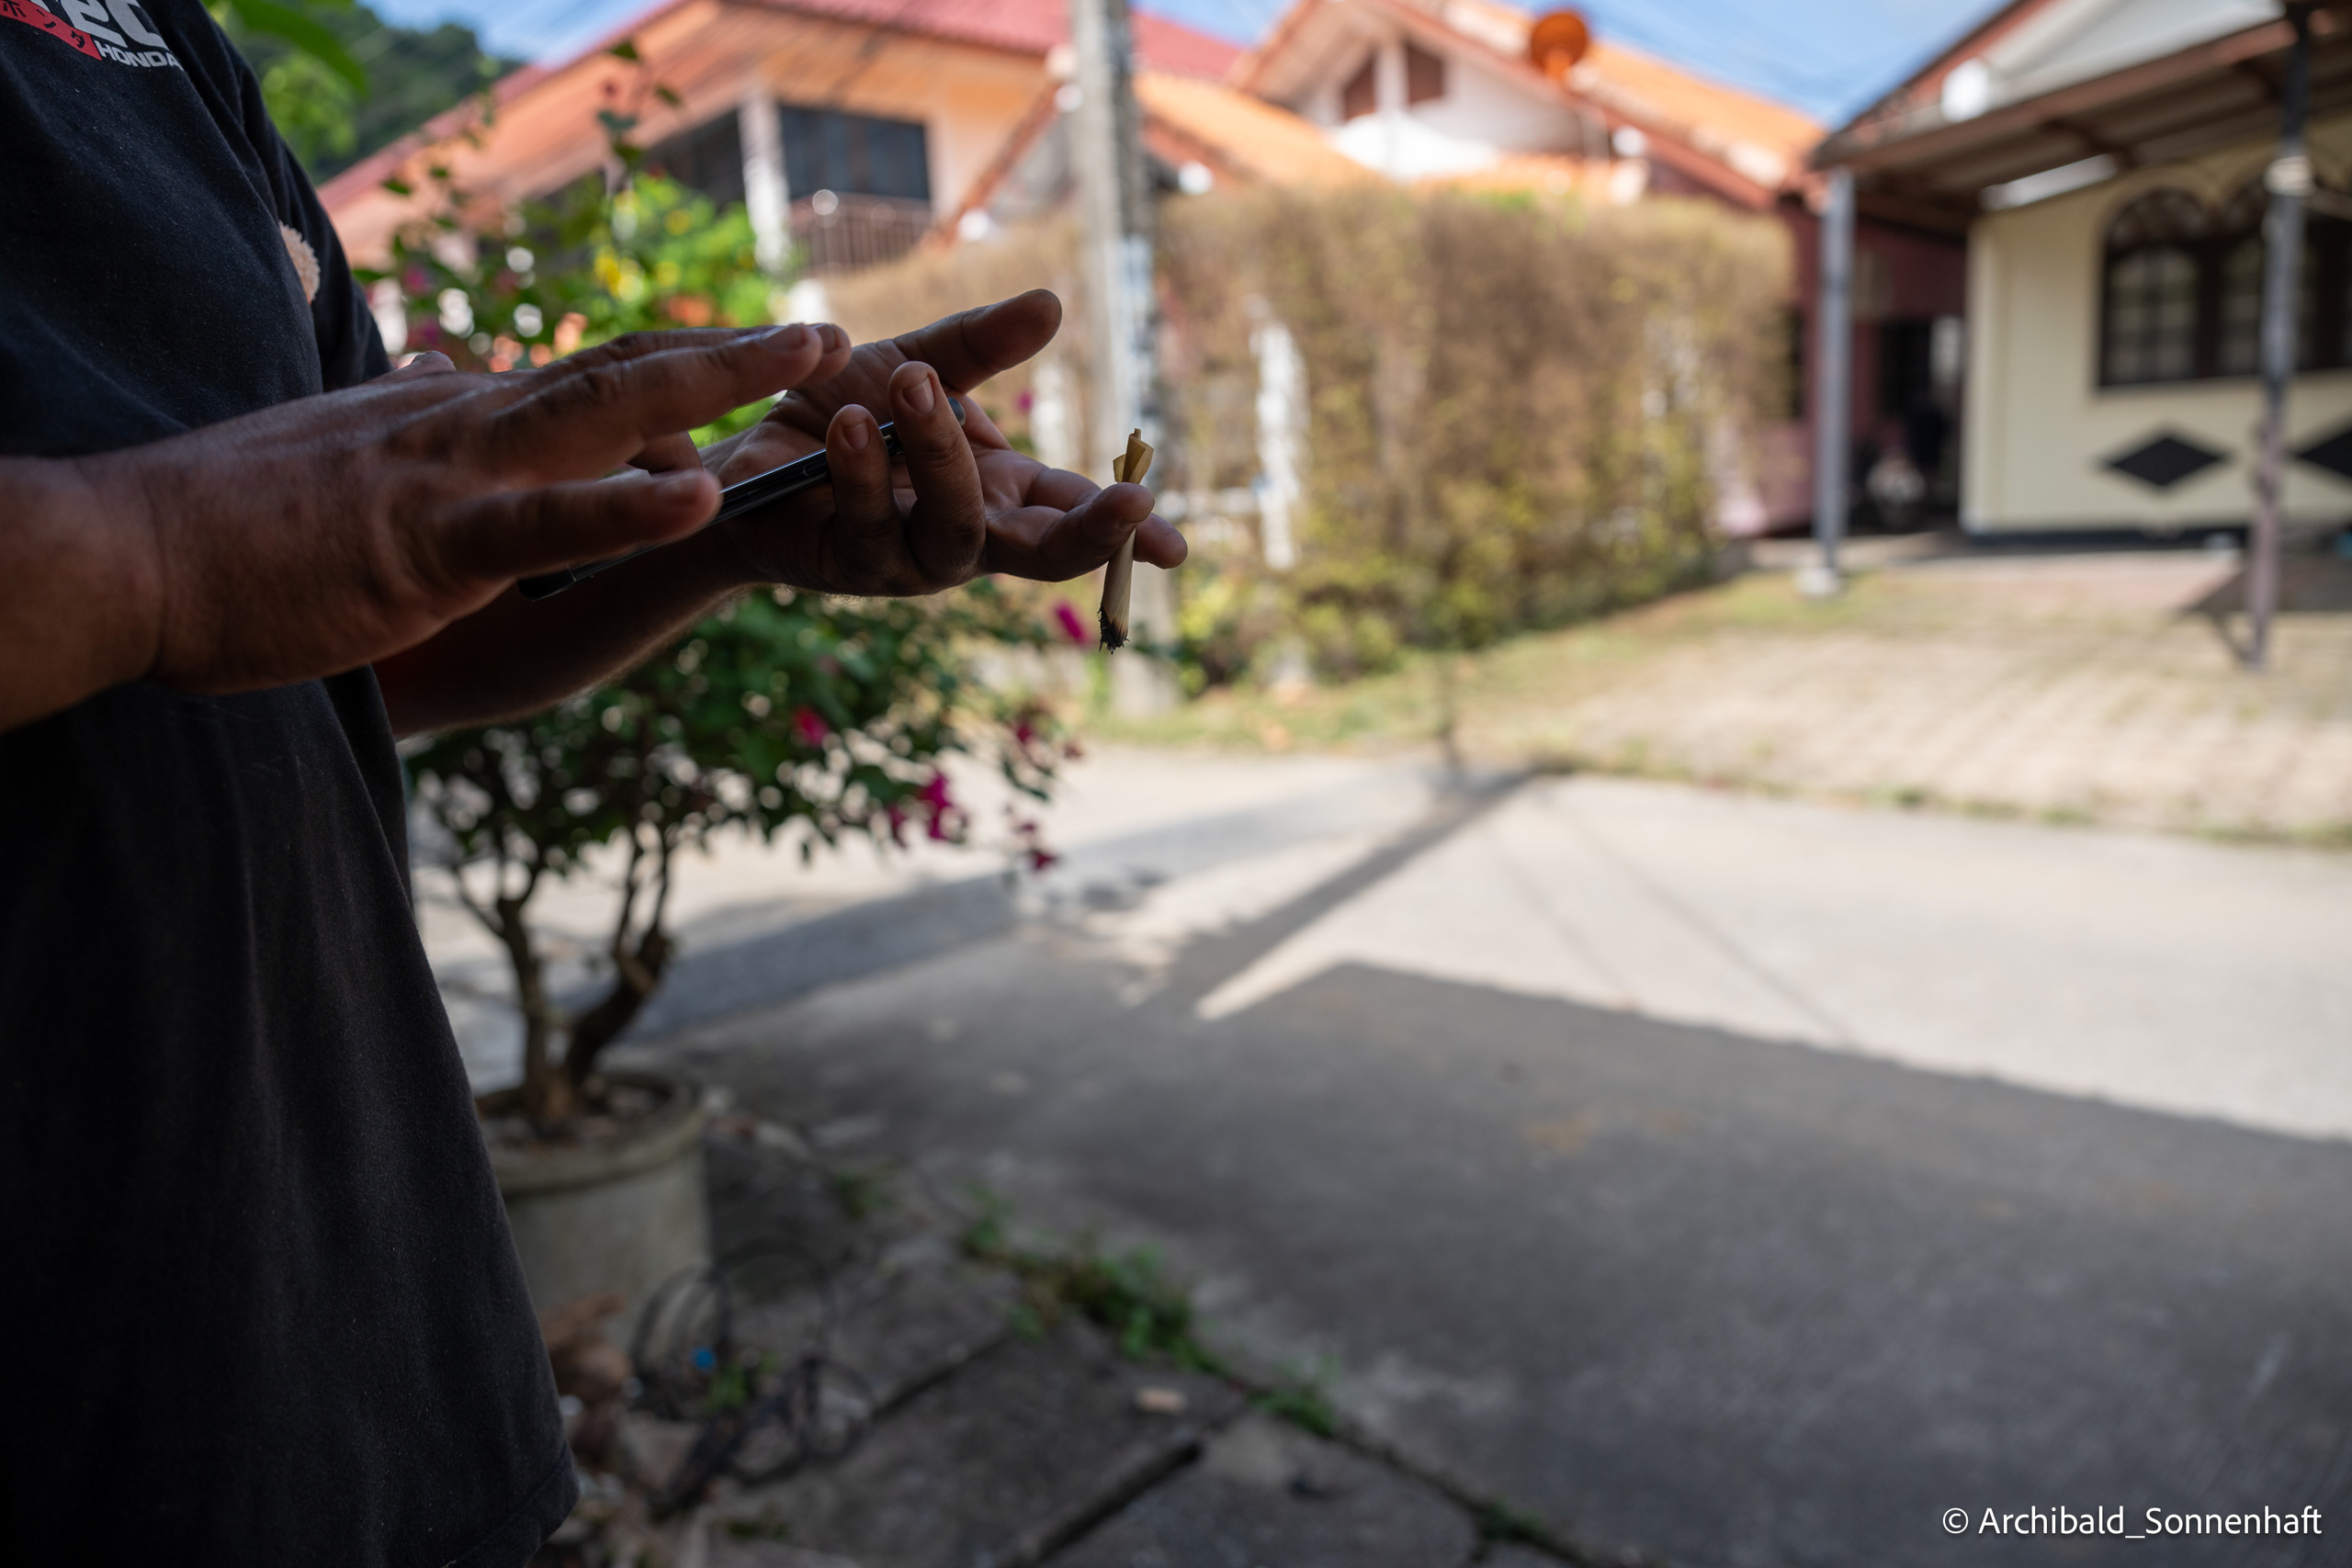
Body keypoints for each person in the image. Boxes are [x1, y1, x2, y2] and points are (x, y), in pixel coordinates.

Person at [0, 4, 1183, 1562]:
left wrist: (728, 523)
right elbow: (212, 563)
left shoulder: (153, 43)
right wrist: (148, 555)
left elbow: (359, 636)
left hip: (358, 1375)